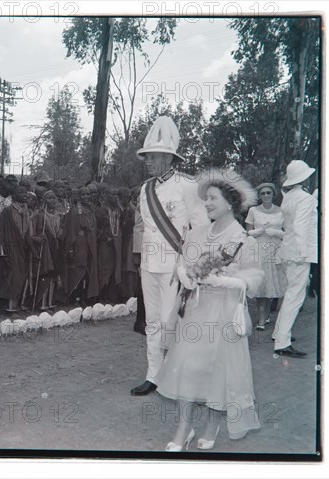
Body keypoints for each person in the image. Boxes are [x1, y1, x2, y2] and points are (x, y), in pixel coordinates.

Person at [156, 169, 263, 451]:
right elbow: (184, 261)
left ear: (229, 202)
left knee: (218, 371)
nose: (207, 203)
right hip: (196, 308)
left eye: (212, 198)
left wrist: (223, 279)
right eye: (206, 199)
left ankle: (213, 425)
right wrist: (184, 274)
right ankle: (184, 427)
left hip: (224, 311)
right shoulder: (198, 233)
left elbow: (254, 279)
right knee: (187, 367)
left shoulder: (244, 240)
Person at [131, 116, 209, 397]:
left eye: (153, 157)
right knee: (151, 322)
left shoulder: (188, 186)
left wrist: (187, 263)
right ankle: (154, 375)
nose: (148, 162)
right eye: (147, 157)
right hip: (150, 265)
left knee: (170, 322)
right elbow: (144, 228)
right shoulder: (145, 189)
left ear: (168, 159)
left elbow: (200, 227)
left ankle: (179, 376)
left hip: (175, 265)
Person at [272, 160, 317, 358]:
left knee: (290, 294)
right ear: (304, 177)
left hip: (286, 250)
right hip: (298, 252)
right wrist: (303, 253)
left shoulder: (289, 197)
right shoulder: (305, 199)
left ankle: (279, 333)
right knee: (295, 296)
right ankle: (282, 342)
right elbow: (300, 227)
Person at [245, 182, 287, 330]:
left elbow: (288, 233)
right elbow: (247, 232)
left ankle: (265, 315)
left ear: (273, 194)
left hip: (275, 250)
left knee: (271, 285)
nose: (266, 195)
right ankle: (262, 316)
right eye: (263, 193)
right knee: (260, 285)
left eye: (268, 192)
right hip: (259, 250)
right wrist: (258, 231)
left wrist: (276, 232)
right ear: (259, 196)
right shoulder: (253, 211)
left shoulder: (281, 211)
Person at [62, 186, 99, 306]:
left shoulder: (90, 209)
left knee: (88, 271)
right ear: (79, 196)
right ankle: (75, 298)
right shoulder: (74, 211)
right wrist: (72, 247)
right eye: (83, 194)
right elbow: (72, 230)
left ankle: (85, 297)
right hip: (79, 245)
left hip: (90, 244)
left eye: (88, 194)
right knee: (78, 270)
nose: (86, 197)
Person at [0, 185, 30, 312]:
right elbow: (0, 231)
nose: (25, 194)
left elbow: (26, 232)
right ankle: (10, 307)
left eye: (26, 192)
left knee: (20, 276)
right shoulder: (7, 211)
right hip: (10, 248)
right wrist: (3, 251)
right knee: (12, 278)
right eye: (21, 192)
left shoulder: (26, 211)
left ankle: (16, 305)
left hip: (22, 248)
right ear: (13, 196)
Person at [95, 186, 123, 303]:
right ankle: (101, 296)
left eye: (117, 195)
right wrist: (105, 237)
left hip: (116, 242)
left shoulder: (119, 209)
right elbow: (97, 228)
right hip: (105, 243)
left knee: (115, 267)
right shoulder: (102, 210)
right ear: (107, 196)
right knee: (104, 267)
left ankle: (111, 296)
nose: (115, 197)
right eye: (113, 195)